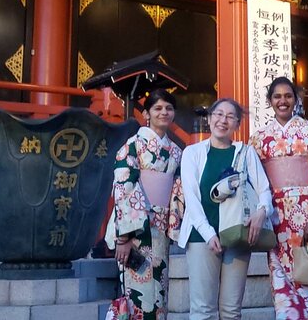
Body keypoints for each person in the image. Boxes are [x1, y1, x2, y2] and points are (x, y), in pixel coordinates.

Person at [249, 77, 308, 320]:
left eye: (288, 96)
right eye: (277, 96)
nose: (283, 101)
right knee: (283, 293)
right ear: (270, 101)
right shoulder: (259, 138)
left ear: (296, 100)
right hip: (276, 219)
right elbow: (253, 182)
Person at [178, 98, 273, 320]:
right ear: (209, 119)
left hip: (238, 234)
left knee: (231, 310)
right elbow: (191, 199)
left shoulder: (245, 153)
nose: (223, 120)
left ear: (237, 124)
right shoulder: (192, 153)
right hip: (201, 237)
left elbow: (264, 190)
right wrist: (209, 233)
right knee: (203, 310)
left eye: (230, 117)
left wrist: (261, 212)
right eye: (218, 114)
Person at [110, 88, 183, 320]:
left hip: (160, 230)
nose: (164, 112)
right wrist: (123, 238)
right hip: (136, 234)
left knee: (160, 295)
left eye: (169, 108)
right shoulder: (132, 146)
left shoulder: (176, 152)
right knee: (136, 296)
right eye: (158, 108)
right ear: (146, 114)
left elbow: (178, 191)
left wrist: (175, 228)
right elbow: (124, 189)